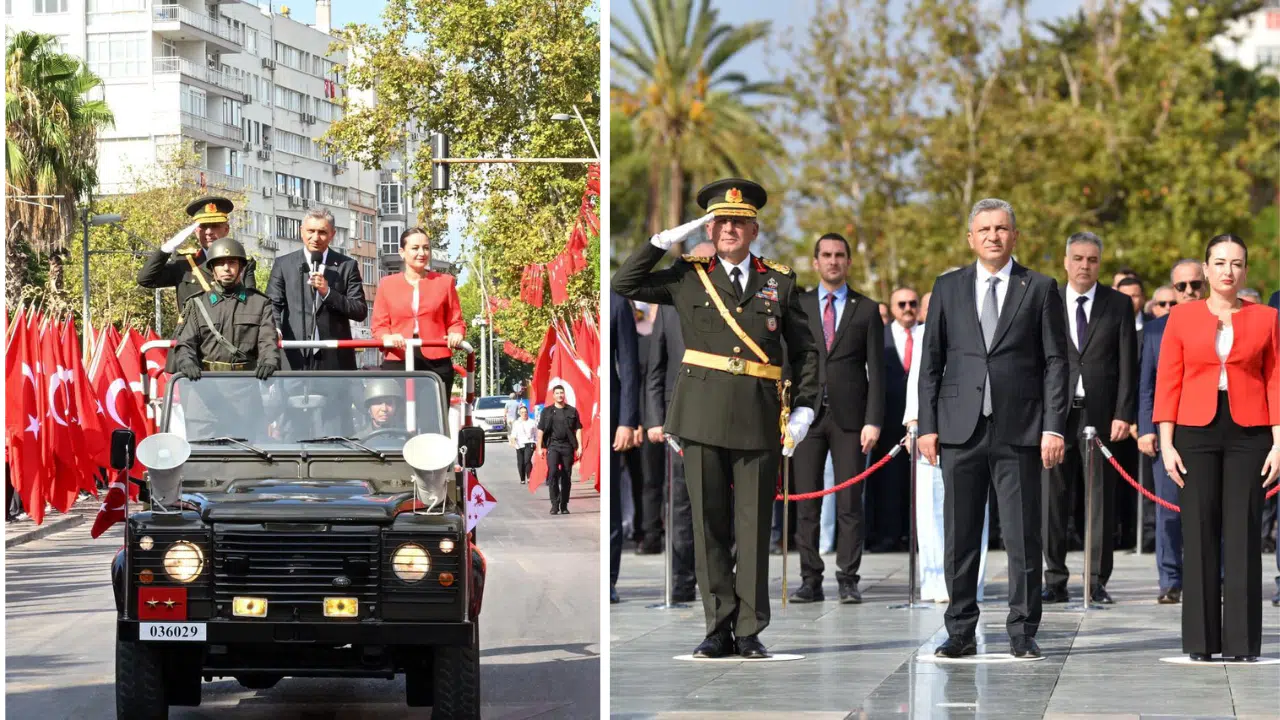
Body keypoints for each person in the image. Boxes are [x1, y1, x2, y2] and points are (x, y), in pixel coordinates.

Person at [612, 177, 819, 660]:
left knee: (752, 528)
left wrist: (806, 407)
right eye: (721, 221)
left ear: (754, 230)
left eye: (739, 222)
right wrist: (663, 242)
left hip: (758, 414)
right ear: (710, 226)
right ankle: (717, 625)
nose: (729, 229)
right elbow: (624, 284)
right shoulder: (688, 274)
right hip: (701, 414)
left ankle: (749, 629)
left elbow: (808, 352)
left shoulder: (779, 281)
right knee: (707, 526)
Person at [918, 198, 1069, 660]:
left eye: (1001, 228)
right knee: (960, 535)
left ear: (1015, 236)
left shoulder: (1040, 288)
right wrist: (927, 425)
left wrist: (1054, 427)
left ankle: (1023, 632)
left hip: (1020, 430)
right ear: (970, 237)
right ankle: (959, 630)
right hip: (959, 430)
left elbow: (1055, 362)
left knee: (1023, 537)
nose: (993, 236)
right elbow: (931, 362)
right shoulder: (948, 287)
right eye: (984, 229)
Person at [1153, 234, 1279, 663]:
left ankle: (1243, 643)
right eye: (1220, 262)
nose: (1228, 271)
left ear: (1246, 270)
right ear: (1205, 269)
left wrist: (1279, 443)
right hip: (1194, 431)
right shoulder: (1182, 318)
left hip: (1250, 431)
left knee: (1244, 532)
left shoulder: (1266, 318)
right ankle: (1201, 642)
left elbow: (1276, 381)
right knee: (1200, 531)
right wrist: (1166, 442)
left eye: (1237, 263)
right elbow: (1168, 380)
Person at [1041, 232, 1137, 605]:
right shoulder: (1046, 301)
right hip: (1057, 415)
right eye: (1078, 258)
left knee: (1099, 500)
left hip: (1101, 416)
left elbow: (1128, 362)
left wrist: (1124, 413)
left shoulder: (1118, 304)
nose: (1085, 266)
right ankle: (1055, 578)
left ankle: (1095, 580)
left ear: (1100, 263)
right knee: (1053, 499)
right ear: (1066, 262)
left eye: (1092, 260)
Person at [790, 233, 883, 605]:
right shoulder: (797, 305)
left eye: (839, 255)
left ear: (848, 262)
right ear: (815, 262)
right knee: (806, 502)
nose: (833, 261)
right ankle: (810, 579)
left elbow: (876, 370)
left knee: (849, 503)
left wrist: (873, 420)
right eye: (826, 255)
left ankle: (848, 578)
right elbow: (788, 361)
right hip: (806, 417)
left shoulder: (867, 309)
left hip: (851, 419)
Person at [902, 277, 991, 603]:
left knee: (972, 511)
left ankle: (971, 584)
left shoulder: (983, 324)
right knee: (930, 512)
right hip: (931, 430)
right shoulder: (926, 331)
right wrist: (915, 422)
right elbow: (918, 380)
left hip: (969, 429)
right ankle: (936, 584)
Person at [643, 244, 715, 605]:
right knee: (681, 505)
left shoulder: (731, 305)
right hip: (679, 422)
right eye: (695, 263)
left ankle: (718, 579)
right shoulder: (669, 308)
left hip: (721, 418)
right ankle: (682, 583)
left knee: (721, 504)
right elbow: (655, 369)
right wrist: (656, 419)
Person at [1138, 259, 1206, 604]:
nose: (1190, 291)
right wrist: (1147, 429)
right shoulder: (1154, 332)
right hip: (1168, 432)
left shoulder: (1221, 323)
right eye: (1182, 287)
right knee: (1168, 510)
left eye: (1196, 284)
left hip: (1211, 430)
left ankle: (1212, 576)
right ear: (1173, 290)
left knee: (1212, 508)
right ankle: (1170, 579)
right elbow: (1146, 385)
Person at [171, 238, 280, 439]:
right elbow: (185, 343)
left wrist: (269, 361)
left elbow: (267, 341)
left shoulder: (259, 303)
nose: (226, 268)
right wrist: (187, 363)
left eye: (232, 263)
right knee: (204, 462)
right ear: (212, 269)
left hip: (244, 391)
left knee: (250, 461)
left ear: (240, 268)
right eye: (221, 263)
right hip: (204, 390)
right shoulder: (197, 304)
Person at [267, 208, 368, 372]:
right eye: (311, 231)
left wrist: (328, 293)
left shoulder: (347, 266)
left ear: (332, 234)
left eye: (322, 232)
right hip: (294, 357)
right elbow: (273, 304)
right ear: (301, 232)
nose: (315, 237)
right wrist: (275, 330)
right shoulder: (283, 264)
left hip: (335, 360)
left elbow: (360, 310)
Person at [137, 196, 258, 326]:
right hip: (190, 339)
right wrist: (167, 248)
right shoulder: (185, 263)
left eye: (215, 226)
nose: (209, 232)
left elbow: (250, 303)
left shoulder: (243, 263)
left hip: (228, 337)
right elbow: (146, 279)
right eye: (203, 226)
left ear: (226, 229)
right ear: (195, 231)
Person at [372, 227, 465, 391]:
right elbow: (379, 326)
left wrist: (456, 333)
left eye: (426, 248)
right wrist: (387, 337)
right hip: (398, 356)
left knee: (433, 414)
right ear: (402, 252)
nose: (421, 253)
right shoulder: (387, 284)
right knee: (398, 414)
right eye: (415, 248)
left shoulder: (445, 282)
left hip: (436, 359)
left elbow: (455, 321)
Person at [869, 285, 920, 553]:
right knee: (889, 483)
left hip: (921, 425)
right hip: (888, 422)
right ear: (892, 308)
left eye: (912, 303)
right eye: (901, 304)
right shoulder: (881, 336)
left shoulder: (926, 334)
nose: (908, 309)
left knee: (918, 484)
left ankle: (916, 537)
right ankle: (888, 535)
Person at [610, 291, 642, 602]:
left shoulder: (617, 303)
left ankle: (610, 577)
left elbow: (630, 368)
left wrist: (627, 421)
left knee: (613, 500)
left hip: (612, 415)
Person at [539, 385, 583, 515]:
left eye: (561, 393)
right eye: (557, 393)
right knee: (552, 473)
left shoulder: (572, 411)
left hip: (567, 447)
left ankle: (564, 504)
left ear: (564, 395)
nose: (559, 395)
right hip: (553, 446)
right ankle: (554, 504)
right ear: (553, 395)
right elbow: (541, 430)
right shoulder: (547, 411)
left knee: (566, 476)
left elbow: (578, 429)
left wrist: (579, 446)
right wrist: (539, 447)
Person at [510, 404, 538, 486]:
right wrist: (513, 442)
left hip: (530, 443)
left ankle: (529, 477)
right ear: (519, 413)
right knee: (520, 462)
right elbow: (513, 434)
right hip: (519, 444)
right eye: (522, 412)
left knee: (527, 460)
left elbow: (536, 434)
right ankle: (522, 478)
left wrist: (536, 443)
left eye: (525, 412)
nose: (524, 414)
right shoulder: (516, 423)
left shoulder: (532, 422)